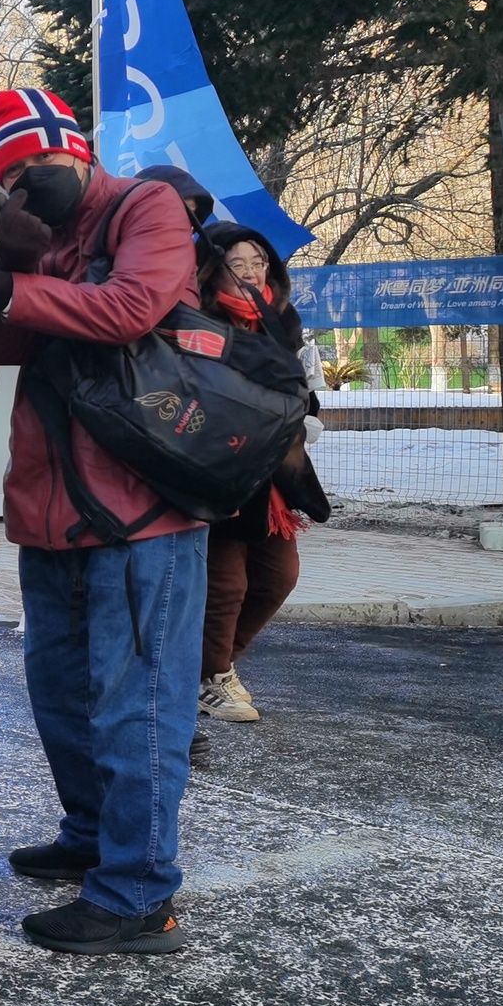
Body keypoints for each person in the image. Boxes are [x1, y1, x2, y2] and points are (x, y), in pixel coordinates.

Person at [0, 86, 205, 956]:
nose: (32, 180)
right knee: (61, 695)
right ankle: (92, 836)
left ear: (79, 152)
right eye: (15, 173)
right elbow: (13, 346)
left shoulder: (146, 208)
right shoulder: (35, 234)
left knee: (135, 705)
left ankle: (137, 894)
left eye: (44, 161)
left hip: (142, 509)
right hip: (52, 510)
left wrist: (10, 279)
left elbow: (130, 309)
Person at [193, 223, 330, 725]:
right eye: (237, 265)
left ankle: (210, 670)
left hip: (273, 472)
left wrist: (303, 412)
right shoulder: (199, 320)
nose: (251, 273)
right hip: (220, 468)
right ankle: (211, 678)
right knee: (226, 585)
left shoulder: (283, 320)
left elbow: (301, 387)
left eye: (259, 262)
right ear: (214, 271)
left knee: (279, 576)